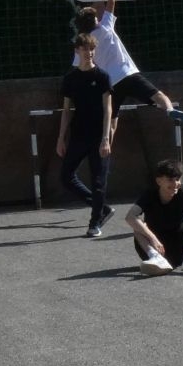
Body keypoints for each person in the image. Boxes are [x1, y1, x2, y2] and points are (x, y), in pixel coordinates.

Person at [71, 0, 183, 132]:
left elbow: (78, 69)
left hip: (110, 83)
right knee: (158, 95)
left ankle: (107, 144)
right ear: (96, 20)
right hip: (128, 74)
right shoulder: (106, 27)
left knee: (111, 120)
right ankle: (170, 110)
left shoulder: (83, 43)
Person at [57, 34, 116, 238]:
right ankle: (102, 208)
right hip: (78, 134)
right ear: (77, 51)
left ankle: (95, 223)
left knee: (98, 181)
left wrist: (106, 138)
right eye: (84, 49)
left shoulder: (102, 76)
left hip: (98, 135)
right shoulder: (70, 78)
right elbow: (66, 110)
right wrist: (61, 138)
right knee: (66, 176)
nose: (88, 53)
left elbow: (108, 109)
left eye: (91, 49)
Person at [127, 159, 183, 276]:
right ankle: (156, 258)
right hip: (154, 247)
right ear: (159, 181)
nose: (175, 184)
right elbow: (130, 217)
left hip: (179, 248)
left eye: (177, 179)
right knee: (139, 225)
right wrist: (153, 238)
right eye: (170, 180)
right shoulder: (149, 195)